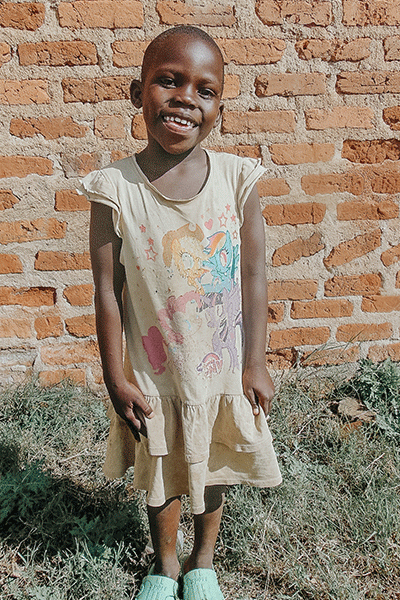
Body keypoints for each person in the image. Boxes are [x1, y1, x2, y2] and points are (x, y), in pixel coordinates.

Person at [80, 25, 282, 600]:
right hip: (155, 370)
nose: (185, 98)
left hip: (220, 369)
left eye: (204, 90)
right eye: (168, 81)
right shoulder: (114, 188)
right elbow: (107, 289)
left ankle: (202, 564)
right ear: (137, 91)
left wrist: (255, 362)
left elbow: (254, 275)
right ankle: (166, 565)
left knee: (212, 466)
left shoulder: (238, 180)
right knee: (163, 472)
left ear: (218, 108)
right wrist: (115, 376)